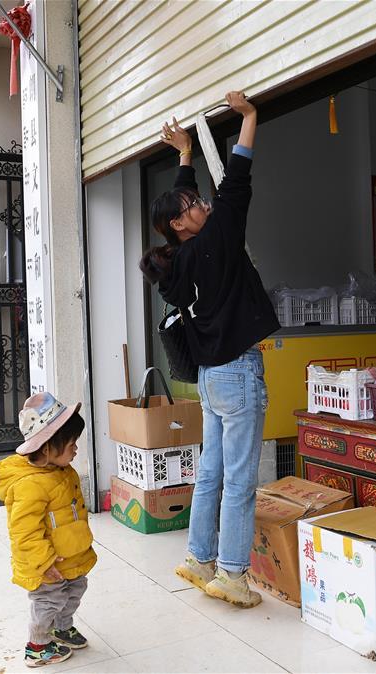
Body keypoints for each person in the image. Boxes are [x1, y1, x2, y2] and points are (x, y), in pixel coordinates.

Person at [139, 91, 279, 609]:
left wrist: (184, 155)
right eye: (193, 205)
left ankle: (199, 558)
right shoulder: (216, 238)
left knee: (211, 474)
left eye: (199, 200)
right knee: (239, 481)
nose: (202, 203)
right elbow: (237, 180)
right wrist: (249, 117)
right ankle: (233, 575)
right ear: (181, 224)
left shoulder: (175, 263)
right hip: (238, 375)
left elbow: (187, 202)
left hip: (212, 380)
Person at [0, 392, 95, 668]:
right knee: (49, 601)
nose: (76, 449)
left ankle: (61, 628)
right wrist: (43, 561)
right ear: (47, 447)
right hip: (45, 563)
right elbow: (24, 532)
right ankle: (37, 646)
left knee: (75, 590)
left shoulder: (63, 470)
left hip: (70, 556)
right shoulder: (29, 484)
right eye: (71, 444)